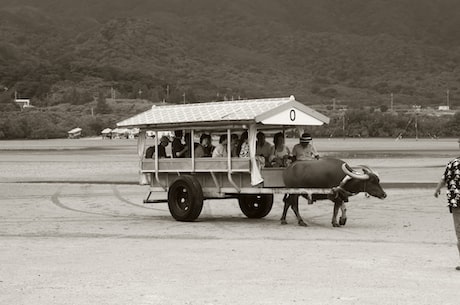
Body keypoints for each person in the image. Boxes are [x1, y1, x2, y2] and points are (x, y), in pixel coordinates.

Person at [434, 146, 460, 270]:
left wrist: (437, 189)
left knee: (459, 232)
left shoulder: (453, 163)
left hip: (456, 203)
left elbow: (444, 178)